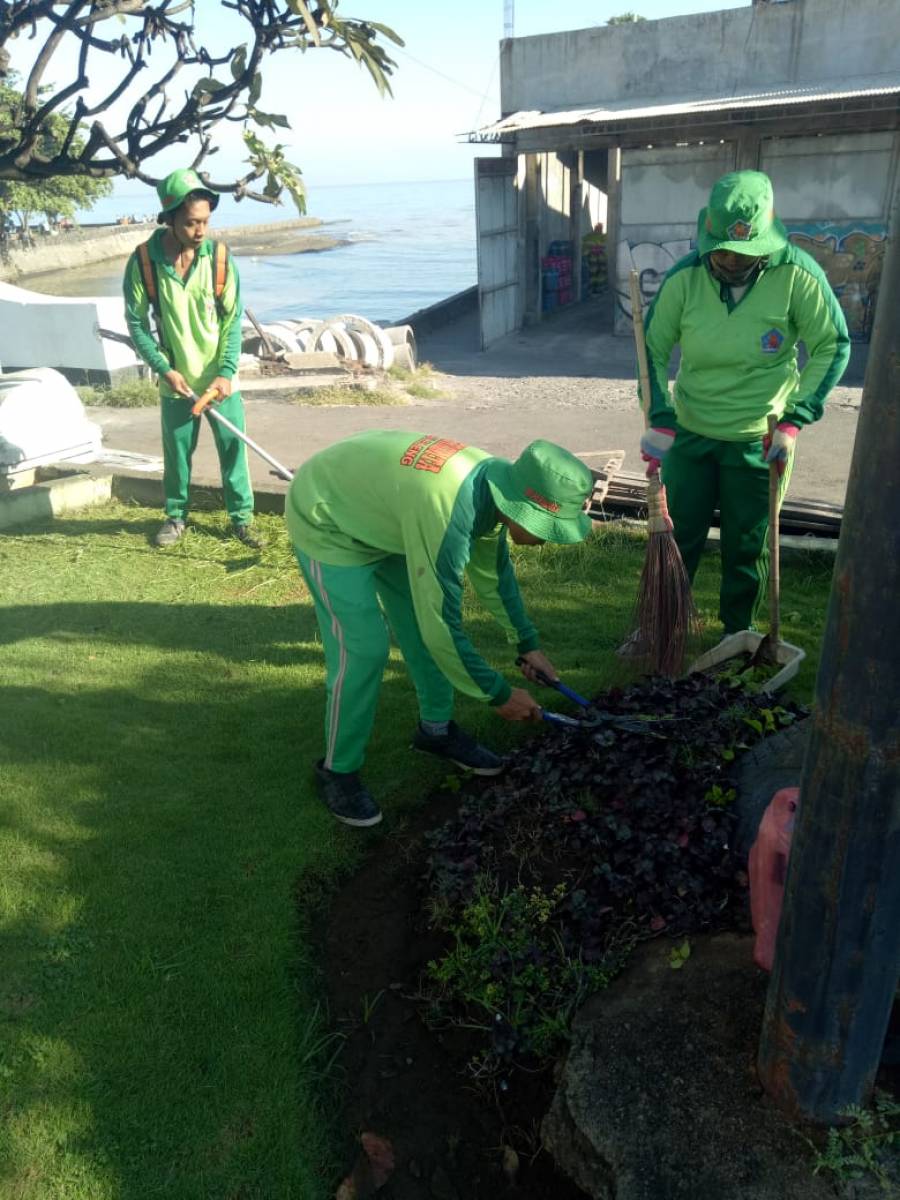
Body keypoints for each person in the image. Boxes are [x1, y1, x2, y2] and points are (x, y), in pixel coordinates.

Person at [286, 431, 595, 827]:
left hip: (388, 519)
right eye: (548, 528)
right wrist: (498, 694)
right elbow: (443, 625)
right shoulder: (450, 509)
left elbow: (494, 576)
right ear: (520, 508)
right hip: (328, 519)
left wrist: (526, 643)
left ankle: (435, 731)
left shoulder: (495, 489)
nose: (547, 541)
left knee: (418, 631)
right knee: (364, 650)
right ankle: (337, 770)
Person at [627, 170, 849, 646]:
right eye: (722, 251)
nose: (730, 261)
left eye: (743, 253)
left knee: (747, 545)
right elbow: (651, 351)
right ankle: (661, 629)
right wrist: (660, 417)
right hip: (690, 433)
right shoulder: (685, 278)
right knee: (676, 535)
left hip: (760, 439)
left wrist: (794, 420)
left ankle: (738, 637)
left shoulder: (799, 275)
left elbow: (832, 346)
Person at [123, 167, 261, 548]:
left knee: (233, 450)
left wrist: (226, 371)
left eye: (205, 221)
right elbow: (136, 324)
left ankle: (242, 520)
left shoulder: (219, 259)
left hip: (220, 380)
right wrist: (164, 369)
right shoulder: (144, 263)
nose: (200, 231)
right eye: (190, 223)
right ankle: (176, 517)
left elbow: (232, 321)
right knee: (178, 455)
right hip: (176, 382)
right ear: (168, 219)